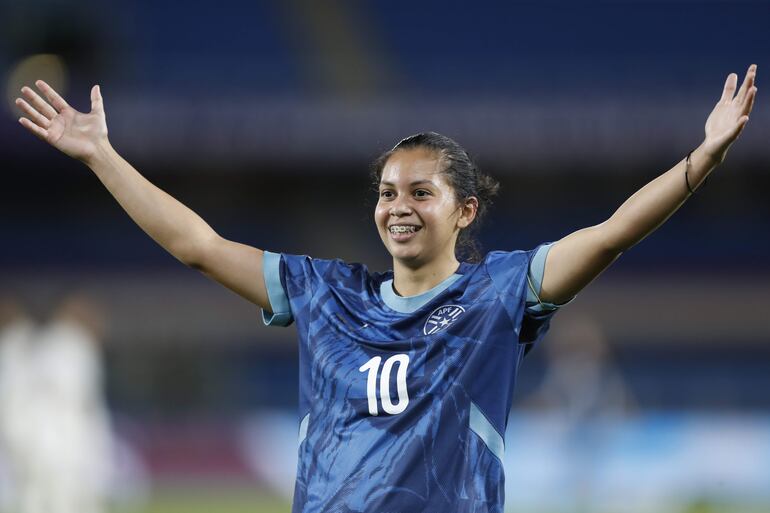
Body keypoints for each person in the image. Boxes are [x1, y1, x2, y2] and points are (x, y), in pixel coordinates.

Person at [14, 64, 757, 513]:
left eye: (420, 191)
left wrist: (702, 159)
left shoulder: (499, 294)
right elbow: (197, 245)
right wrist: (101, 157)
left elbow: (612, 232)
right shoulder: (323, 292)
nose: (397, 204)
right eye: (385, 191)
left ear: (464, 210)